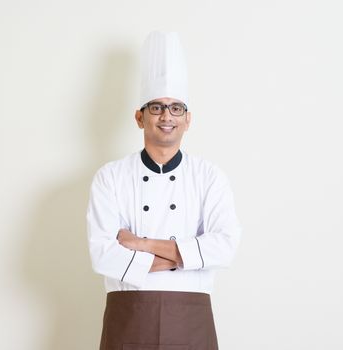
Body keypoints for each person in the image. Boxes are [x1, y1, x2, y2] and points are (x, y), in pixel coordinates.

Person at [86, 31, 242, 350]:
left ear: (188, 119)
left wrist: (140, 244)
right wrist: (189, 254)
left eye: (176, 108)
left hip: (192, 316)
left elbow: (224, 246)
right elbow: (102, 254)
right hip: (128, 314)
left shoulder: (209, 176)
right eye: (156, 108)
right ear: (139, 117)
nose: (166, 116)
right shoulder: (110, 177)